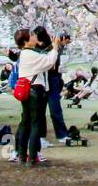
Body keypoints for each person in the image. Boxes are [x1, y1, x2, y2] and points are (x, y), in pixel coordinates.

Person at [13, 27, 60, 165]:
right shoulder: (30, 54)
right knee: (35, 124)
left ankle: (22, 155)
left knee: (26, 122)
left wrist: (50, 46)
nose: (35, 37)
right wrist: (56, 47)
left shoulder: (24, 54)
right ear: (26, 40)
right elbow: (49, 62)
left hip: (27, 90)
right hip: (35, 90)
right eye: (32, 35)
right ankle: (32, 157)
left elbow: (43, 57)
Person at [47, 33, 70, 142]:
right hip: (49, 79)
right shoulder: (53, 48)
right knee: (54, 108)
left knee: (55, 109)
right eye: (67, 41)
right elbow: (51, 65)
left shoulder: (58, 47)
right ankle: (60, 134)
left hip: (55, 79)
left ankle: (61, 134)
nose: (67, 44)